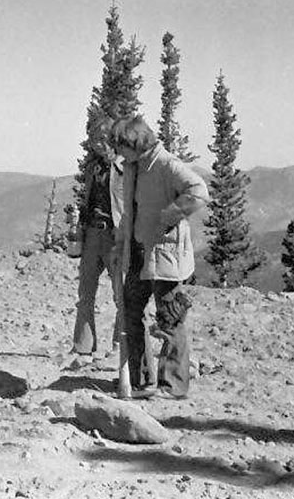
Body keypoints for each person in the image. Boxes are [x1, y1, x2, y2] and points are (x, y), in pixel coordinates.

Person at [110, 115, 208, 400]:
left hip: (165, 254)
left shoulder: (166, 165)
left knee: (170, 319)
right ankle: (141, 380)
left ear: (135, 143)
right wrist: (120, 243)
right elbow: (131, 210)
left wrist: (169, 217)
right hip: (140, 251)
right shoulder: (133, 167)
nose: (118, 153)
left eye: (121, 146)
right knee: (130, 310)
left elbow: (199, 192)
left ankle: (173, 386)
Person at [71, 115, 125, 357]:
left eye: (101, 139)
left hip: (115, 235)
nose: (96, 144)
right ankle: (82, 345)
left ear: (112, 139)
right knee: (85, 292)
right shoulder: (93, 168)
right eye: (93, 139)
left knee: (120, 294)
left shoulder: (126, 168)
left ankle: (119, 346)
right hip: (92, 233)